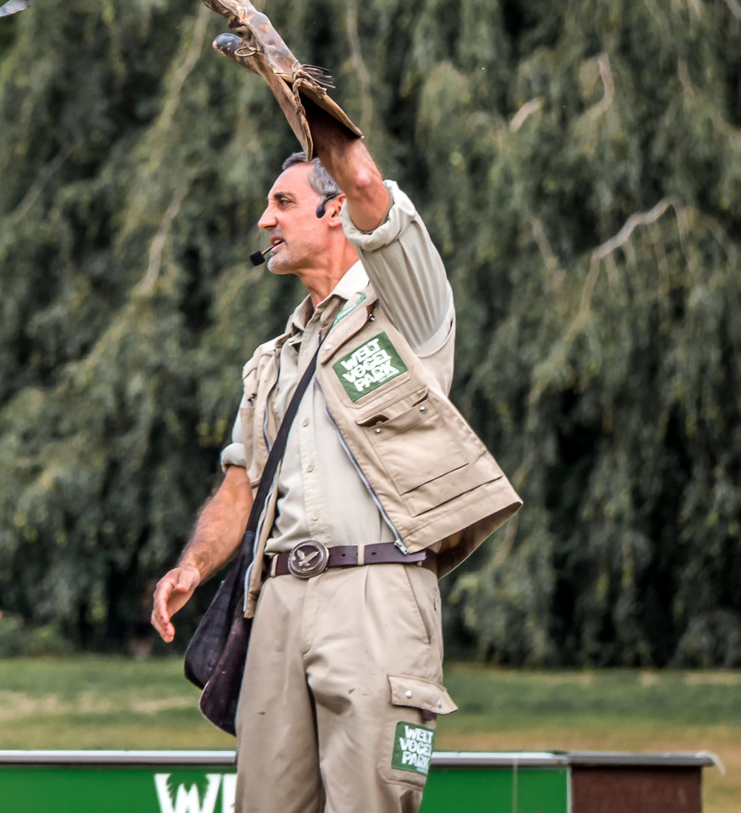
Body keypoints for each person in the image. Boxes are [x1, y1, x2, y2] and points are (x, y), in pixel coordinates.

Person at [150, 111, 520, 813]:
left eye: (282, 203)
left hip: (378, 587)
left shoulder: (409, 314)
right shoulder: (271, 361)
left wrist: (288, 85)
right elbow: (241, 485)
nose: (264, 221)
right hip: (279, 598)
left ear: (336, 213)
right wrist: (193, 566)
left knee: (375, 800)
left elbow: (364, 175)